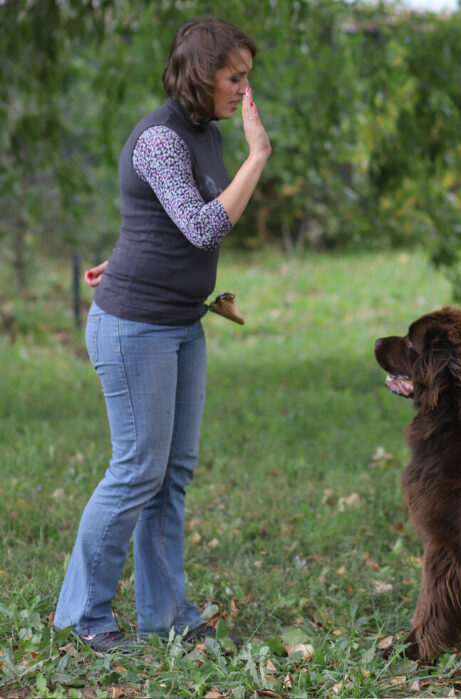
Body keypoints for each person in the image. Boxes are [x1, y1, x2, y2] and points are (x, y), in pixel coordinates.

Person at [53, 16, 271, 653]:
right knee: (136, 470)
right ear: (204, 75)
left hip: (180, 324)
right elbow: (203, 227)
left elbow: (156, 220)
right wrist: (259, 156)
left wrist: (118, 260)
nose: (245, 92)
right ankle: (84, 615)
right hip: (134, 328)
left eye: (247, 79)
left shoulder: (204, 132)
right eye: (236, 78)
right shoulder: (159, 139)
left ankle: (166, 614)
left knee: (171, 474)